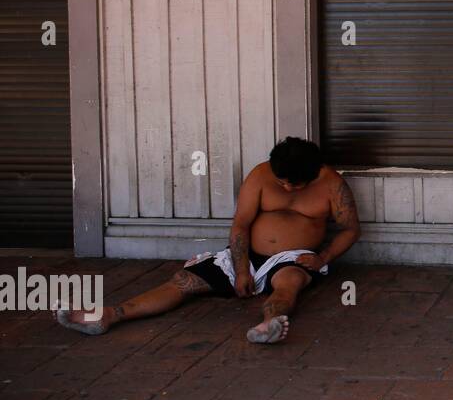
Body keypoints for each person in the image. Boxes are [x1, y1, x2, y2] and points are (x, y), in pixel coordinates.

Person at [57, 137, 360, 344]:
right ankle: (109, 315)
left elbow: (349, 229)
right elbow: (241, 224)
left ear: (313, 173)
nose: (288, 188)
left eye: (295, 185)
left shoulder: (332, 185)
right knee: (182, 281)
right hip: (244, 254)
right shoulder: (260, 175)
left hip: (292, 259)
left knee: (289, 285)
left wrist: (323, 258)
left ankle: (270, 324)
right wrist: (241, 269)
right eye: (282, 182)